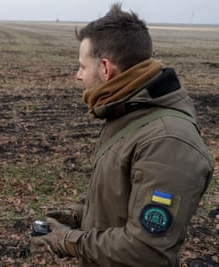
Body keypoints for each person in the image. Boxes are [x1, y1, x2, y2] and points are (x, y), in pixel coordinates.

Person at [31, 3, 214, 267]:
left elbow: (147, 250)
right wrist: (77, 214)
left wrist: (69, 241)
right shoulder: (129, 115)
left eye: (82, 66)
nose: (77, 75)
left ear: (106, 68)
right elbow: (121, 204)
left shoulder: (167, 142)